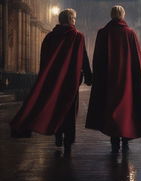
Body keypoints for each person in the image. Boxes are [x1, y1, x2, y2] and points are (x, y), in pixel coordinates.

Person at [85, 5, 141, 153]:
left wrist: (97, 77)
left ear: (111, 15)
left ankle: (114, 140)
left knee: (111, 108)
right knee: (127, 108)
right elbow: (137, 59)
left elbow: (97, 59)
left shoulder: (102, 33)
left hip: (109, 79)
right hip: (127, 79)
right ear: (123, 15)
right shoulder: (130, 33)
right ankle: (126, 139)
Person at [10, 8, 92, 154]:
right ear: (70, 19)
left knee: (55, 106)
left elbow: (45, 58)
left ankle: (58, 134)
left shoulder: (50, 37)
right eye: (74, 18)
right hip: (70, 80)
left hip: (52, 79)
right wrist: (88, 76)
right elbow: (83, 56)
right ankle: (68, 140)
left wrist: (44, 76)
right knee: (69, 109)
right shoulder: (77, 36)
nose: (75, 20)